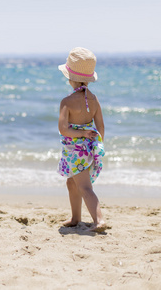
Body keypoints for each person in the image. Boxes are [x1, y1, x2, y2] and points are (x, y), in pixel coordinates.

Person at [57, 47, 107, 232]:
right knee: (72, 183)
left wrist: (81, 134)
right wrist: (97, 143)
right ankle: (76, 218)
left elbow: (63, 130)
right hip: (89, 149)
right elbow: (100, 126)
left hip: (75, 152)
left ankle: (99, 220)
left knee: (85, 187)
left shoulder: (67, 102)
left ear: (71, 78)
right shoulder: (94, 100)